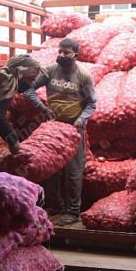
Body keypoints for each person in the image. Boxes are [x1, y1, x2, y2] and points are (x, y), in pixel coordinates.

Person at [24, 38, 97, 225]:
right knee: (51, 168)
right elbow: (29, 90)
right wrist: (42, 108)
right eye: (60, 51)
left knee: (73, 170)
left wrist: (81, 120)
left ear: (75, 55)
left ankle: (73, 211)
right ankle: (55, 206)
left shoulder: (83, 75)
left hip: (73, 128)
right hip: (53, 127)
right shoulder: (49, 71)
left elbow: (91, 104)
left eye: (66, 52)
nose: (62, 55)